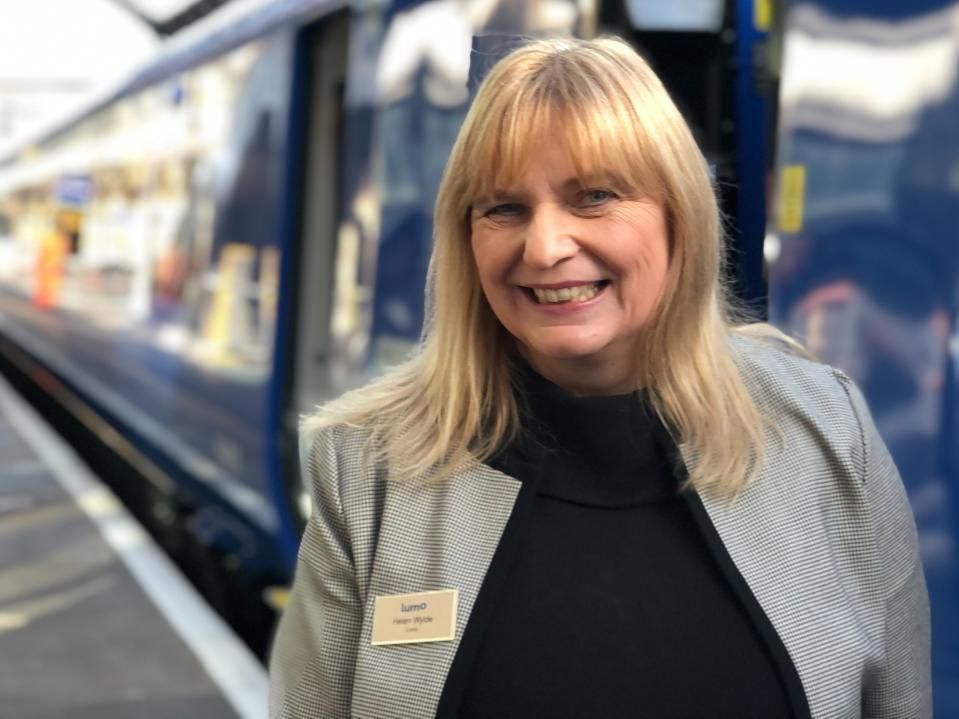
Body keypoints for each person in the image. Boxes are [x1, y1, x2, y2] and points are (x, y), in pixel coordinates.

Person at [269, 37, 930, 718]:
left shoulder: (826, 432)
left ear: (680, 216)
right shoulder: (368, 466)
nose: (545, 246)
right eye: (503, 207)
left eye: (593, 196)